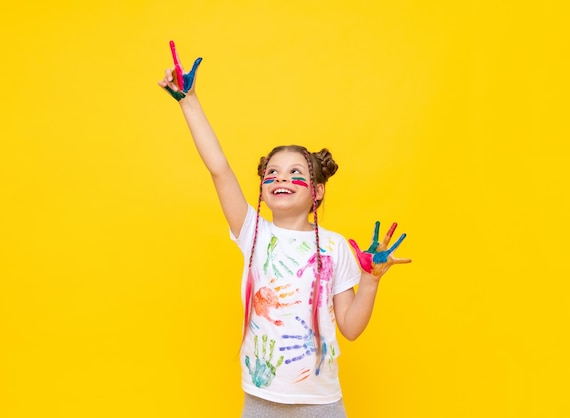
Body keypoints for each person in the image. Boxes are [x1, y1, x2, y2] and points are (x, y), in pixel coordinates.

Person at [158, 42, 411, 418]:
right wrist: (188, 101)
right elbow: (219, 168)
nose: (281, 179)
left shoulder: (335, 247)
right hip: (260, 401)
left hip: (322, 404)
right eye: (272, 173)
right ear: (262, 187)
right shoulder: (252, 231)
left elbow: (351, 328)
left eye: (296, 174)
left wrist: (371, 280)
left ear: (317, 190)